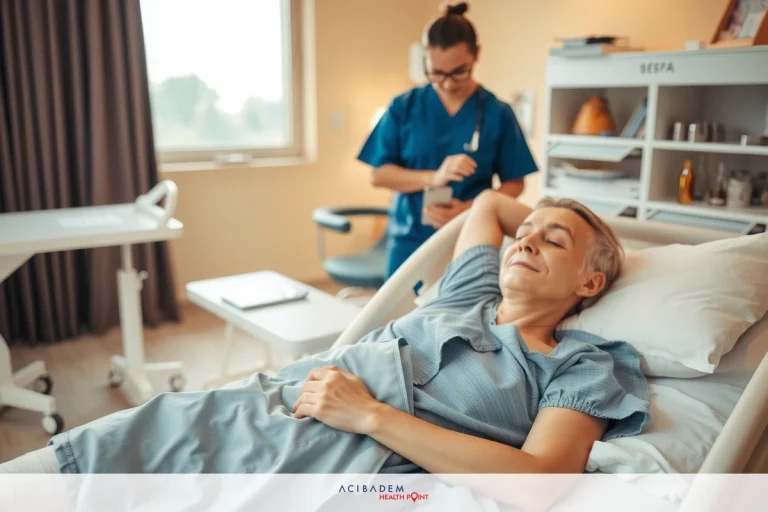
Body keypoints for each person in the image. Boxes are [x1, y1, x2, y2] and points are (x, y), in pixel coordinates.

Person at [0, 192, 649, 498]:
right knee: (107, 450)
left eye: (551, 244)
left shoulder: (580, 361)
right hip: (281, 407)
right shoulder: (467, 295)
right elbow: (486, 206)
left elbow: (540, 484)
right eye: (525, 236)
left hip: (359, 448)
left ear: (590, 282)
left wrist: (370, 415)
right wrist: (552, 221)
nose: (526, 242)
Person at [358, 2, 538, 279]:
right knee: (399, 317)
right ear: (425, 62)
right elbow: (378, 175)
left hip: (473, 237)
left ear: (477, 54)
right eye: (437, 73)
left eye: (459, 72)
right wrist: (435, 177)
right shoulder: (403, 107)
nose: (448, 83)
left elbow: (515, 182)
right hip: (409, 242)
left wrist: (469, 210)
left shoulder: (498, 113)